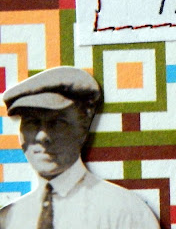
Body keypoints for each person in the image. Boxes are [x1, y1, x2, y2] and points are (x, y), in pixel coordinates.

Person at [0, 66, 159, 229]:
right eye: (31, 123)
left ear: (82, 128)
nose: (42, 136)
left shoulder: (125, 211)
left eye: (57, 123)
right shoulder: (8, 218)